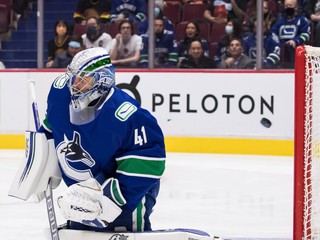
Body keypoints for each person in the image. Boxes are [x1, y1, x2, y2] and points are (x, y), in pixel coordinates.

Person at [39, 47, 166, 232]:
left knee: (119, 227)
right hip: (82, 194)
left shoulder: (127, 115)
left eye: (83, 80)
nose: (74, 85)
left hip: (127, 195)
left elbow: (149, 162)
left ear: (102, 80)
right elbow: (51, 127)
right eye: (73, 77)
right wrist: (40, 163)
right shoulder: (60, 94)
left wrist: (110, 200)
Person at [271, 0, 310, 68]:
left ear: (296, 7)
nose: (288, 7)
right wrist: (277, 42)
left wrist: (295, 41)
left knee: (290, 47)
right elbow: (273, 33)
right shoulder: (280, 21)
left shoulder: (302, 20)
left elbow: (306, 34)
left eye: (290, 5)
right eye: (286, 6)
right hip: (281, 46)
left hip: (296, 47)